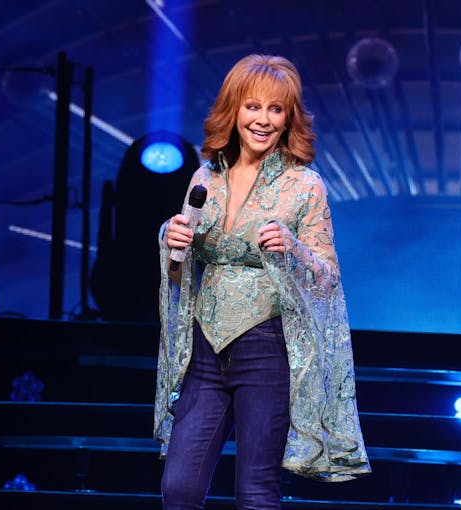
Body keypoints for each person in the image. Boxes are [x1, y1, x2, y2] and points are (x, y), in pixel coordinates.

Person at [154, 54, 370, 509]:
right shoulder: (204, 177)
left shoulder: (304, 185)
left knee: (255, 491)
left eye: (276, 109)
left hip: (267, 348)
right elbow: (178, 274)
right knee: (180, 487)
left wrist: (293, 247)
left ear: (289, 117)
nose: (263, 119)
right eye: (253, 106)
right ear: (234, 109)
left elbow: (328, 279)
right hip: (206, 349)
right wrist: (172, 242)